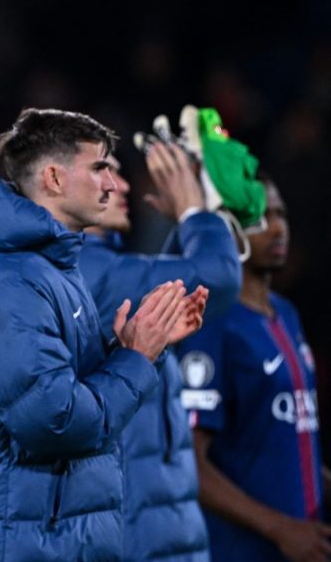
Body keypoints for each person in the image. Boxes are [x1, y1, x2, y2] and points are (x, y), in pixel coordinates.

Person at [0, 108, 208, 562]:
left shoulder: (47, 267)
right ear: (53, 178)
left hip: (33, 539)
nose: (113, 184)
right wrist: (135, 358)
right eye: (99, 168)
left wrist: (131, 347)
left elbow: (55, 389)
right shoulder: (12, 283)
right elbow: (54, 423)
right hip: (11, 545)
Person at [79, 142, 242, 561]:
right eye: (103, 170)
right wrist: (194, 213)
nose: (123, 185)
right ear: (56, 180)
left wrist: (187, 225)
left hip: (153, 528)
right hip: (136, 536)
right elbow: (220, 276)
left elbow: (166, 284)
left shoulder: (104, 268)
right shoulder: (84, 271)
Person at [178, 177, 331, 562]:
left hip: (305, 546)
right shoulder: (212, 323)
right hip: (243, 551)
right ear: (226, 230)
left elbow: (285, 438)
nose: (277, 228)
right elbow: (189, 462)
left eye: (281, 214)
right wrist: (280, 528)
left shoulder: (287, 314)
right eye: (259, 219)